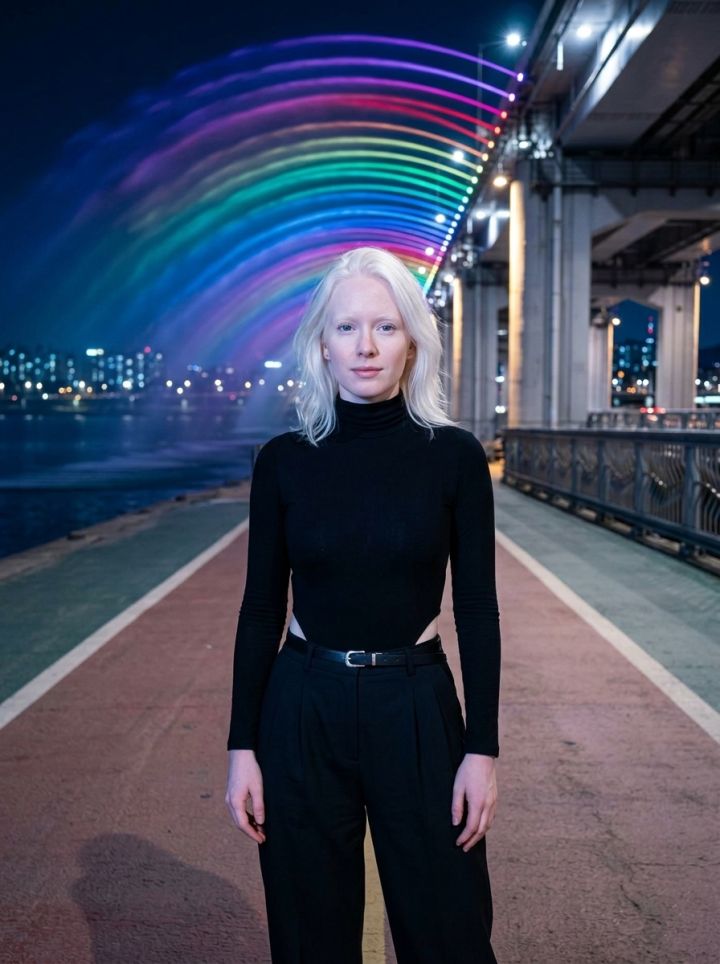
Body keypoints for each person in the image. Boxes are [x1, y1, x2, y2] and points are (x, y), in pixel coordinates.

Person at [225, 245, 501, 964]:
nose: (367, 346)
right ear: (322, 342)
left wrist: (482, 750)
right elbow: (261, 608)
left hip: (415, 704)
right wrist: (241, 746)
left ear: (414, 339)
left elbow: (477, 608)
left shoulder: (455, 457)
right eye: (347, 328)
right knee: (309, 938)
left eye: (386, 326)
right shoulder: (283, 460)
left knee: (450, 932)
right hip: (302, 704)